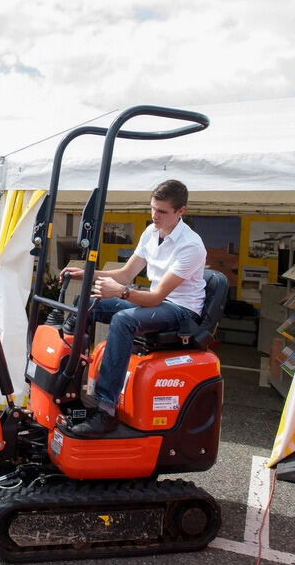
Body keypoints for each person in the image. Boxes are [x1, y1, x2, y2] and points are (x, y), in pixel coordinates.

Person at [62, 179, 207, 437]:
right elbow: (127, 273)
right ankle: (69, 381)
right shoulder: (151, 233)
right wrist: (86, 274)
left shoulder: (191, 246)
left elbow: (155, 297)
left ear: (180, 211)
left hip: (181, 310)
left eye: (162, 211)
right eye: (153, 208)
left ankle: (105, 410)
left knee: (124, 320)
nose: (155, 216)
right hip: (157, 301)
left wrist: (121, 293)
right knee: (87, 303)